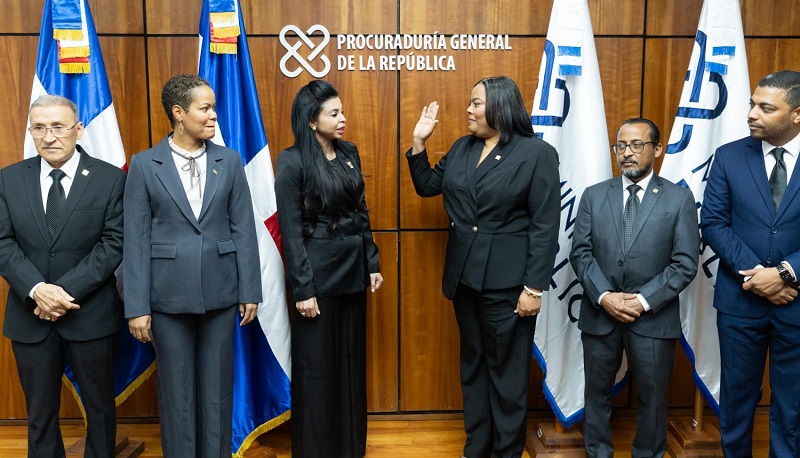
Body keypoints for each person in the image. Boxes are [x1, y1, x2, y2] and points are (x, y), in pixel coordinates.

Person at [406, 76, 560, 458]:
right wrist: (419, 142)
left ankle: (506, 452)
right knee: (473, 367)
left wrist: (534, 288)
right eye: (470, 102)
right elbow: (427, 186)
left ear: (501, 107)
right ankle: (476, 448)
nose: (469, 110)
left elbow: (545, 225)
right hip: (464, 281)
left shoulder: (536, 153)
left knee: (507, 376)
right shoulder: (462, 147)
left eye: (476, 103)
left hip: (509, 285)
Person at [123, 74, 262, 457]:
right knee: (177, 393)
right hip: (166, 298)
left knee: (217, 391)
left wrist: (250, 289)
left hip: (221, 293)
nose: (214, 114)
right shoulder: (144, 164)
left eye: (214, 107)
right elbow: (135, 239)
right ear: (179, 113)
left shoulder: (229, 160)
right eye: (205, 108)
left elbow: (244, 229)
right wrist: (137, 306)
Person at [0, 94, 125, 457]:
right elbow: (3, 242)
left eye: (58, 127)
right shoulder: (9, 179)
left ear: (78, 130)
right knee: (39, 416)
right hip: (30, 315)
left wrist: (60, 292)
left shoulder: (109, 179)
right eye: (39, 128)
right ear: (31, 132)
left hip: (91, 314)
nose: (49, 136)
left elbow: (114, 243)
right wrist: (36, 289)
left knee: (100, 411)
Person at [570, 118, 699, 458]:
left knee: (653, 398)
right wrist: (605, 297)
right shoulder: (594, 196)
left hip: (653, 318)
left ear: (657, 149)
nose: (627, 153)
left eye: (637, 145)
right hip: (600, 314)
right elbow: (580, 253)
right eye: (621, 146)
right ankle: (598, 452)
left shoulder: (679, 199)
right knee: (595, 394)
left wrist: (642, 301)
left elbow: (685, 263)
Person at [275, 80, 382, 458]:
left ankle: (350, 449)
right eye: (334, 113)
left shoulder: (349, 152)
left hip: (353, 274)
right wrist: (303, 289)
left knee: (350, 364)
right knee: (317, 369)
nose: (342, 119)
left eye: (342, 112)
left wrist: (371, 262)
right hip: (317, 279)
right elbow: (290, 231)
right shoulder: (291, 161)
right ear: (311, 120)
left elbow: (360, 211)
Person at [701, 70, 800, 457]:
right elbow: (713, 223)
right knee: (737, 400)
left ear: (797, 114)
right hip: (740, 303)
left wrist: (785, 273)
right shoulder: (729, 156)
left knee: (792, 407)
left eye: (766, 108)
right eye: (752, 104)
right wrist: (760, 276)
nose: (752, 114)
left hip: (796, 303)